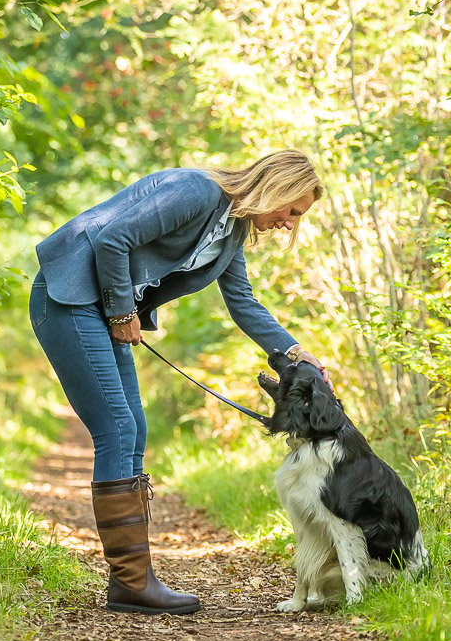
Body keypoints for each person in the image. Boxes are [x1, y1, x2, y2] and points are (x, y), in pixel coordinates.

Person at [30, 149, 329, 616]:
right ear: (278, 188)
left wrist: (291, 351)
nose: (289, 224)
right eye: (292, 211)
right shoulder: (195, 190)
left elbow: (244, 302)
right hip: (69, 297)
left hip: (103, 309)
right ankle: (132, 582)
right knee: (117, 430)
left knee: (135, 430)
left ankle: (132, 579)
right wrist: (123, 310)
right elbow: (112, 240)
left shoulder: (230, 234)